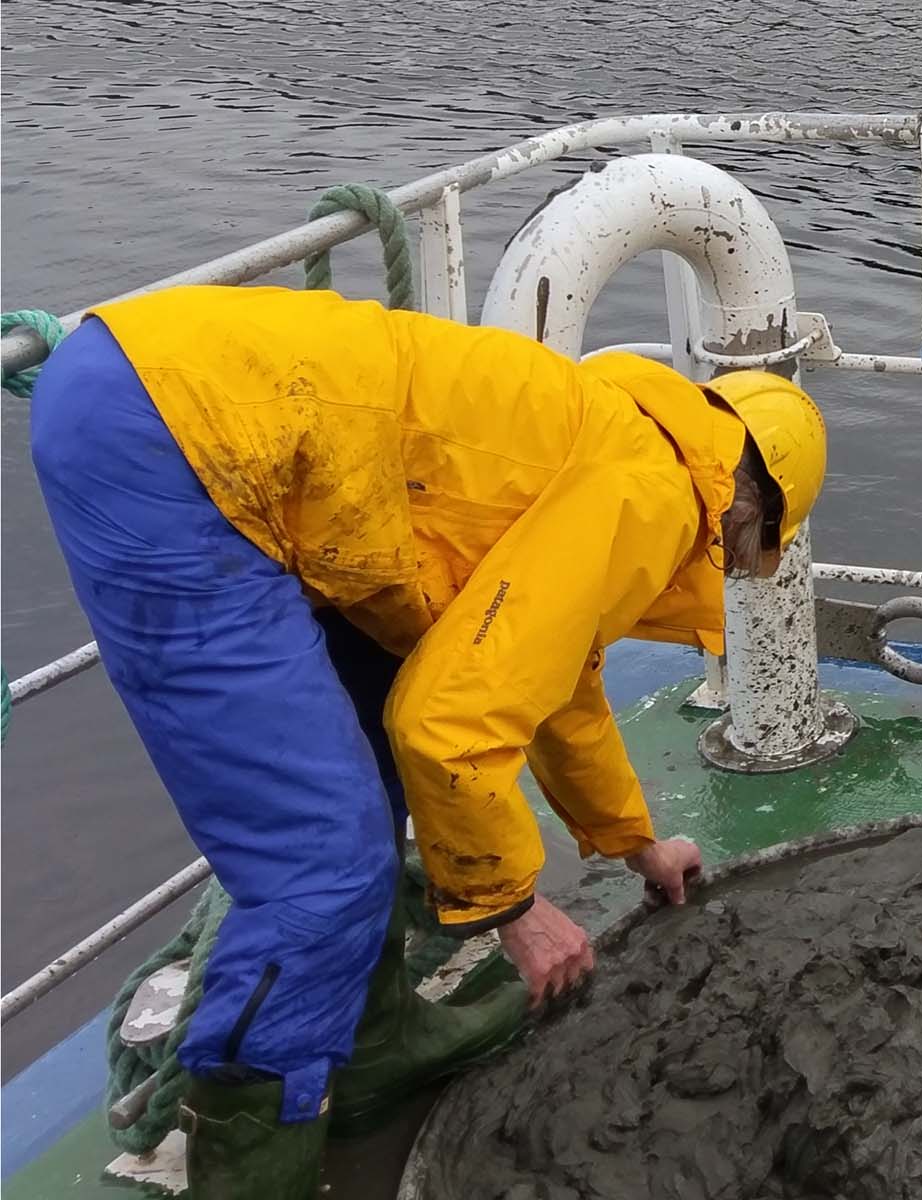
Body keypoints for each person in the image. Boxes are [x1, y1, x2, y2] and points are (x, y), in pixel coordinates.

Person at [29, 284, 827, 1198]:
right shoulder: (654, 490)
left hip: (169, 388)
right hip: (182, 442)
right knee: (322, 871)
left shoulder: (621, 430)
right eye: (752, 544)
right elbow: (449, 725)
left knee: (368, 768)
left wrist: (634, 843)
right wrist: (513, 908)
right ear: (754, 507)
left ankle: (368, 1053)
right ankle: (253, 1170)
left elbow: (555, 678)